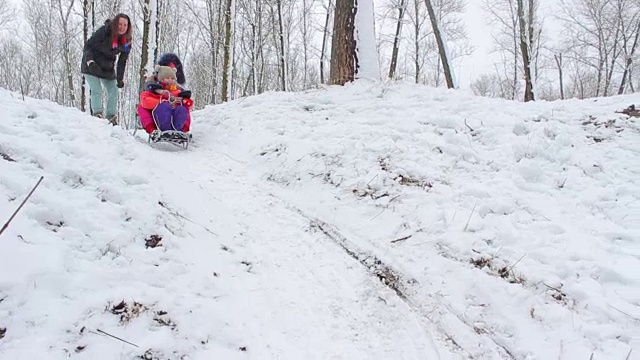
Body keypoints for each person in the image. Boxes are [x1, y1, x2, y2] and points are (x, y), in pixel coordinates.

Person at [81, 13, 132, 125]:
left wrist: (119, 78)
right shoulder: (104, 31)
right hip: (91, 65)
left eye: (125, 25)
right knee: (96, 90)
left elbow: (122, 61)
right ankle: (97, 115)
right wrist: (90, 62)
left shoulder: (126, 41)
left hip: (107, 68)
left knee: (113, 89)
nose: (122, 27)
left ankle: (111, 117)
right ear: (115, 24)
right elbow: (88, 46)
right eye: (120, 24)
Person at [137, 65, 193, 142]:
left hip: (175, 118)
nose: (170, 80)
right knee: (160, 107)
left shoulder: (178, 92)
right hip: (158, 119)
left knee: (182, 109)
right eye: (167, 78)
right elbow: (145, 101)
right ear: (161, 79)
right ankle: (155, 130)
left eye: (172, 78)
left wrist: (183, 101)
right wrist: (163, 100)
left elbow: (189, 105)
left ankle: (181, 130)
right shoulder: (152, 91)